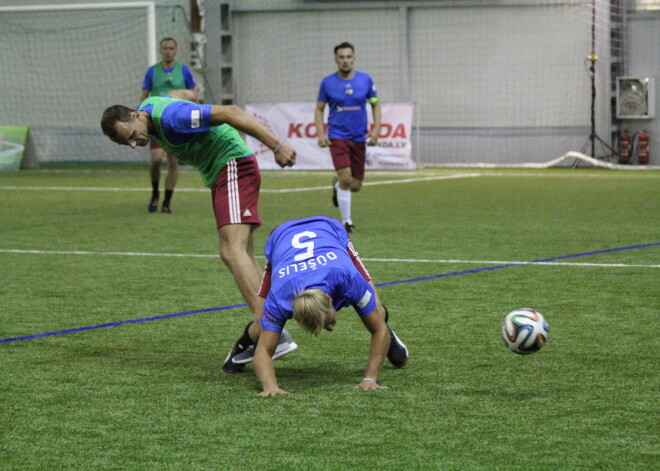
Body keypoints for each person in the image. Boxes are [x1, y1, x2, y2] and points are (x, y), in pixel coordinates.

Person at [100, 94, 298, 373]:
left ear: (135, 116)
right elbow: (177, 95)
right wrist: (190, 95)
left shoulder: (172, 118)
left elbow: (231, 112)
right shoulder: (148, 110)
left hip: (232, 165)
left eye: (131, 136)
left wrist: (277, 146)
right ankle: (271, 327)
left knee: (231, 252)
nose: (134, 144)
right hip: (224, 172)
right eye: (127, 143)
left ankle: (271, 331)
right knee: (242, 253)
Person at [223, 215, 408, 397]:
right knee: (259, 326)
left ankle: (387, 336)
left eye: (328, 322)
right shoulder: (280, 297)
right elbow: (263, 350)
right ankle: (241, 345)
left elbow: (378, 330)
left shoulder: (347, 277)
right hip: (281, 238)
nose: (330, 328)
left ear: (329, 299)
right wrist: (270, 386)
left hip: (328, 229)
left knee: (377, 310)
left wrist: (370, 378)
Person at [314, 42, 382, 234]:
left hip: (359, 137)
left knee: (355, 185)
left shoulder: (365, 80)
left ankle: (337, 187)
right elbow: (319, 109)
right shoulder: (327, 83)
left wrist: (376, 131)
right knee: (346, 178)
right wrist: (321, 134)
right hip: (337, 136)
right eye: (341, 57)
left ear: (354, 58)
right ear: (336, 59)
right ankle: (346, 222)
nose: (345, 60)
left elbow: (375, 104)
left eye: (348, 57)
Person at [140, 37, 198, 214]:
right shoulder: (152, 72)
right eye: (165, 48)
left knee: (173, 160)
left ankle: (167, 201)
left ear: (176, 50)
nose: (168, 51)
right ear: (161, 50)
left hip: (177, 123)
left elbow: (194, 95)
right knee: (156, 159)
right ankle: (155, 193)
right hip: (156, 122)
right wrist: (141, 118)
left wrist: (194, 117)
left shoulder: (184, 71)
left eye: (171, 48)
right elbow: (144, 96)